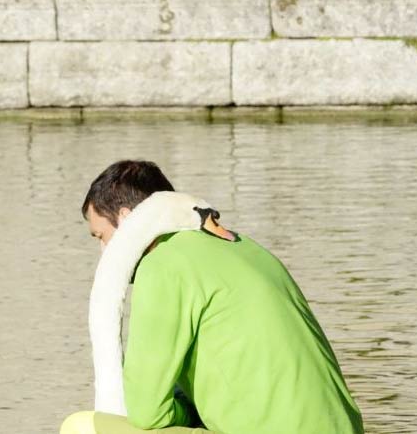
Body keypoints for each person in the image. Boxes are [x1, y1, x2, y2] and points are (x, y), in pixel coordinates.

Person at [61, 160, 363, 434]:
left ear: (127, 219)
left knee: (81, 427)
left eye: (101, 237)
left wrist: (184, 411)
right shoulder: (248, 248)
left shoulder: (163, 265)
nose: (104, 253)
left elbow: (146, 413)